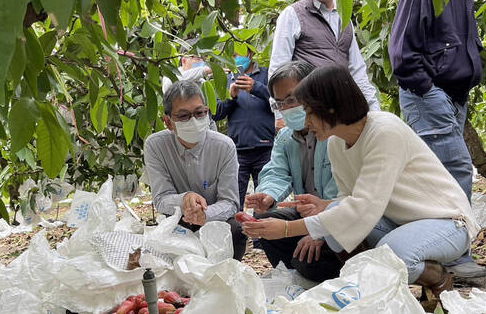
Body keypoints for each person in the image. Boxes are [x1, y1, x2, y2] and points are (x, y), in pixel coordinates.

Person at [241, 65, 480, 299]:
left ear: (331, 109)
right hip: (398, 222)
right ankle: (368, 287)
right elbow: (348, 199)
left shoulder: (384, 131)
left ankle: (436, 277)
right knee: (337, 215)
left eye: (310, 112)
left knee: (391, 254)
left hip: (447, 222)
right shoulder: (337, 142)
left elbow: (362, 207)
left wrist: (286, 229)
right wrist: (323, 208)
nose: (306, 121)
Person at [388, 0, 486, 280]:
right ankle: (456, 255)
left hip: (451, 98)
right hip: (428, 96)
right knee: (456, 170)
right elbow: (402, 54)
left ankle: (443, 250)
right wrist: (430, 92)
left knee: (439, 176)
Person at [245, 61, 342, 282]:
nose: (288, 108)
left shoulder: (336, 133)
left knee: (309, 263)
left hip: (340, 218)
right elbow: (276, 171)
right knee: (265, 225)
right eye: (281, 103)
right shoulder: (287, 137)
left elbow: (345, 192)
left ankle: (313, 272)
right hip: (308, 213)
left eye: (292, 99)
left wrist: (320, 231)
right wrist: (268, 196)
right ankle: (296, 274)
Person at [269, 0, 380, 128]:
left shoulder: (345, 19)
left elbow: (358, 72)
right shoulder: (293, 15)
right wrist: (280, 117)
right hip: (308, 116)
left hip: (341, 116)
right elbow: (278, 69)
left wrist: (375, 113)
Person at [144, 80, 246, 261]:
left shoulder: (223, 146)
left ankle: (225, 276)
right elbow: (160, 199)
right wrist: (184, 199)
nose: (194, 121)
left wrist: (205, 214)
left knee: (236, 230)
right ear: (168, 122)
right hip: (179, 218)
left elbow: (230, 202)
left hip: (214, 219)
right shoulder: (156, 146)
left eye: (199, 113)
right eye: (183, 116)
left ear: (207, 113)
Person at [213, 51, 276, 206]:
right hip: (237, 150)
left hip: (265, 147)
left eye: (238, 54)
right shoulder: (225, 80)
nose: (236, 59)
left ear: (250, 53)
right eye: (232, 55)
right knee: (234, 199)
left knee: (264, 200)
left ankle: (263, 228)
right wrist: (231, 97)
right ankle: (238, 229)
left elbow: (278, 100)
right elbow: (216, 113)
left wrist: (256, 88)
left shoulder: (267, 75)